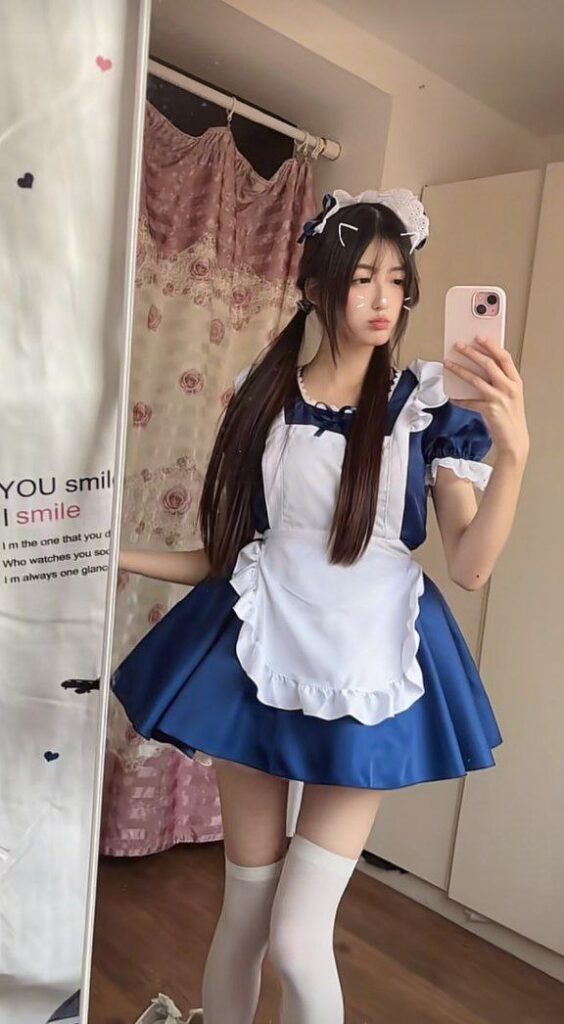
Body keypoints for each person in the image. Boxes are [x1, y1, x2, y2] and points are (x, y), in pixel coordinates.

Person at [113, 188, 530, 1024]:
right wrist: (111, 553)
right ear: (315, 287)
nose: (384, 299)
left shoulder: (427, 409)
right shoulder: (261, 397)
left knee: (300, 941)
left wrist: (514, 453)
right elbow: (227, 556)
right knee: (244, 915)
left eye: (398, 281)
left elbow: (471, 567)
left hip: (370, 658)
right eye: (363, 277)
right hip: (260, 645)